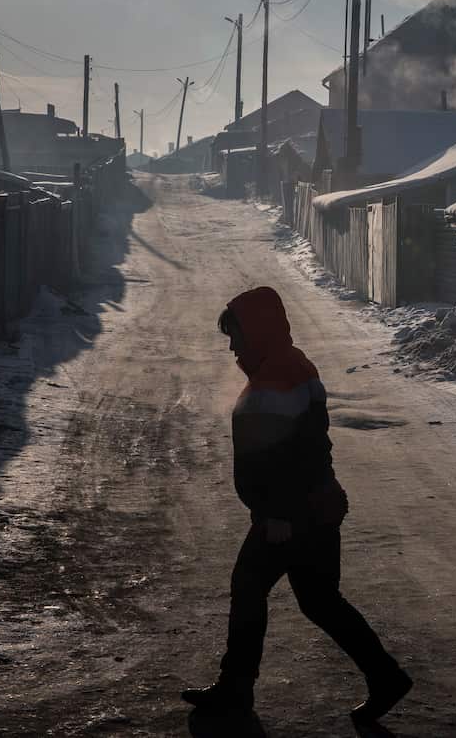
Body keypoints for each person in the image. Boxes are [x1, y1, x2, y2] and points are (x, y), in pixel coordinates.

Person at [182, 286, 411, 723]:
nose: (232, 346)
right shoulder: (290, 365)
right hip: (311, 507)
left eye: (236, 335)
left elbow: (289, 454)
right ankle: (385, 676)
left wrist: (278, 514)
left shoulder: (277, 377)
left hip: (291, 514)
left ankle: (236, 689)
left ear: (258, 332)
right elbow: (311, 446)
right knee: (320, 600)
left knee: (250, 586)